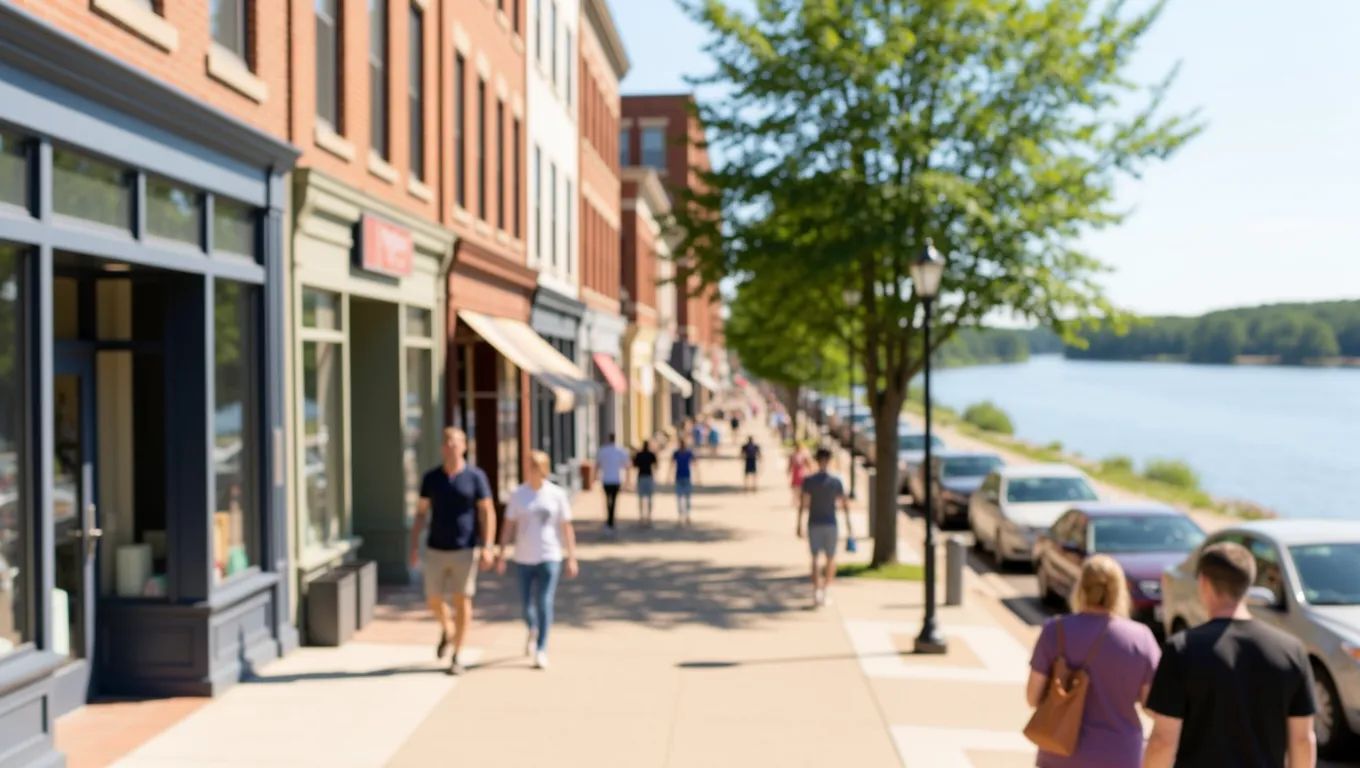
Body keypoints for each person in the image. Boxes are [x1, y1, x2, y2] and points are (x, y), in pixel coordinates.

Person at [1143, 542, 1316, 768]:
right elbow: (1303, 740)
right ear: (1248, 585)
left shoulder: (1182, 649)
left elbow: (1163, 741)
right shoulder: (1291, 651)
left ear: (1203, 583)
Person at [1026, 555, 1162, 768]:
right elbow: (1153, 708)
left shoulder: (1055, 631)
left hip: (1059, 753)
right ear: (1119, 592)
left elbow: (1032, 697)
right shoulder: (1141, 638)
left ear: (1080, 588)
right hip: (1120, 755)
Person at [409, 427, 496, 675]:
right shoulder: (432, 478)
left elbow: (487, 511)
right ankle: (448, 630)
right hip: (436, 548)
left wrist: (488, 546)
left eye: (455, 442)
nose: (451, 446)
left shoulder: (475, 477)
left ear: (464, 446)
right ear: (442, 448)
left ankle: (457, 655)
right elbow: (421, 513)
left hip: (465, 549)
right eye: (447, 442)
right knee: (433, 600)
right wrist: (414, 545)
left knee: (462, 600)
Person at [496, 451, 579, 670]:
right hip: (524, 557)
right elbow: (508, 525)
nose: (531, 470)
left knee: (544, 602)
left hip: (550, 556)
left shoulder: (556, 494)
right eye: (529, 465)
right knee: (526, 606)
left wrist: (571, 557)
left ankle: (541, 648)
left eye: (535, 466)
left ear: (543, 469)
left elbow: (566, 527)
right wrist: (501, 553)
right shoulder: (518, 494)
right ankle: (532, 628)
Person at [796, 448, 852, 607]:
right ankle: (825, 589)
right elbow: (844, 504)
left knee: (814, 558)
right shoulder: (836, 481)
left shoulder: (809, 481)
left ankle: (816, 591)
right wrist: (849, 526)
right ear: (829, 460)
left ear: (817, 460)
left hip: (814, 522)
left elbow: (803, 504)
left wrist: (799, 524)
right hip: (830, 523)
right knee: (830, 559)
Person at [595, 434, 629, 535]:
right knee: (613, 501)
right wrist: (628, 480)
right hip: (615, 480)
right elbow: (627, 465)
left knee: (607, 500)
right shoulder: (620, 451)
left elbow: (597, 465)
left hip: (607, 480)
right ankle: (611, 520)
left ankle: (609, 520)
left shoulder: (603, 450)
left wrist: (594, 477)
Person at [671, 439, 699, 526]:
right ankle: (683, 516)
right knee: (682, 499)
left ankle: (686, 516)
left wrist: (698, 476)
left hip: (684, 477)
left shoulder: (686, 453)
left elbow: (695, 464)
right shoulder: (678, 453)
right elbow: (671, 464)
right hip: (681, 477)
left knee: (685, 498)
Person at [632, 440, 658, 527]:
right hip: (648, 477)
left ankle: (641, 515)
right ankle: (649, 516)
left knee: (641, 498)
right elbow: (656, 465)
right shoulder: (651, 454)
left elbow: (634, 465)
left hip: (641, 477)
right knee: (649, 498)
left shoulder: (639, 454)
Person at [787, 444, 811, 508]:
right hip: (796, 473)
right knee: (796, 488)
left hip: (801, 473)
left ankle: (800, 500)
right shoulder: (793, 455)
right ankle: (796, 500)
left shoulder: (803, 455)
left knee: (800, 487)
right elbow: (790, 464)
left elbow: (808, 463)